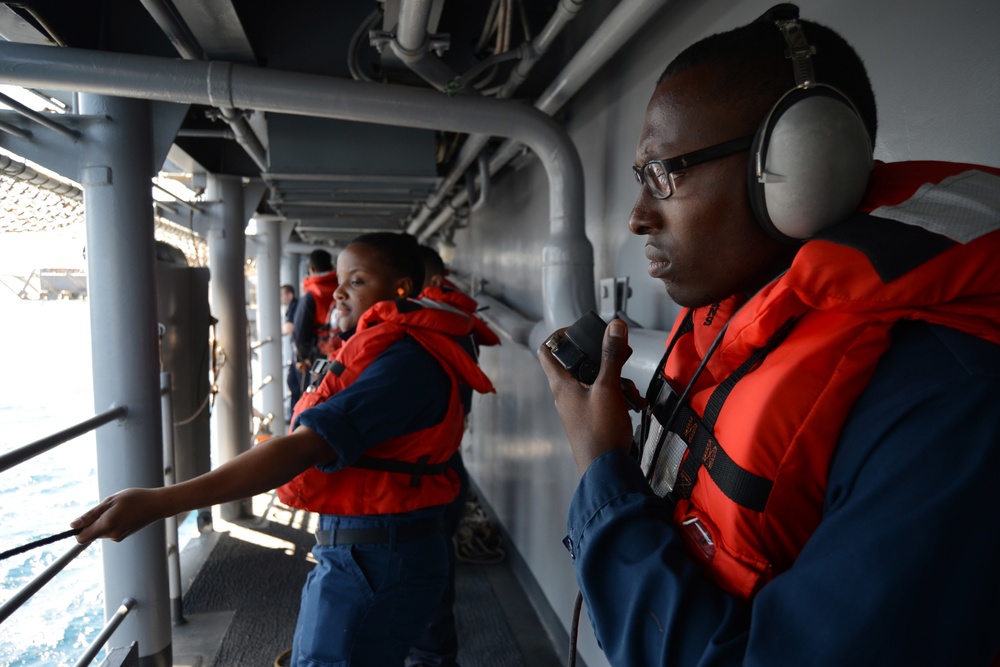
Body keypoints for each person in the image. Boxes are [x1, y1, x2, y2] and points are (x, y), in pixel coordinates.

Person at [538, 5, 1000, 666]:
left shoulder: (949, 398)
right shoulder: (738, 319)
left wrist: (600, 466)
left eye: (665, 173)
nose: (639, 217)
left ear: (804, 168)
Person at [73, 232, 495, 667]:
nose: (341, 291)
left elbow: (303, 449)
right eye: (341, 278)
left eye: (359, 280)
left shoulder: (404, 364)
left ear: (402, 289)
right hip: (375, 547)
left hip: (375, 558)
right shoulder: (397, 349)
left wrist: (159, 501)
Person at [406, 244, 501, 667]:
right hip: (444, 466)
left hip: (430, 476)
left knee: (427, 581)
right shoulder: (452, 325)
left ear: (422, 282)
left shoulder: (428, 335)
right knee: (432, 574)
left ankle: (433, 656)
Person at [292, 249, 339, 391]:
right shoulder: (341, 288)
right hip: (342, 347)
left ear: (312, 269)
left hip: (319, 352)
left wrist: (302, 357)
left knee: (317, 389)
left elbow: (301, 330)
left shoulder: (311, 294)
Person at [280, 283, 302, 409]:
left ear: (290, 295)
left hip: (299, 351)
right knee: (293, 381)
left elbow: (289, 328)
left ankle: (296, 411)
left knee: (293, 382)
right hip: (298, 350)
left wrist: (279, 329)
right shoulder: (295, 306)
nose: (280, 298)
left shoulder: (293, 307)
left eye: (282, 294)